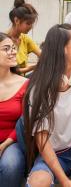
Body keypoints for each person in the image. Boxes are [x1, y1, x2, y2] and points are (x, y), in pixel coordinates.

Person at [23, 24, 71, 187]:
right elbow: (42, 140)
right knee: (38, 182)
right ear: (63, 48)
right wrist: (65, 181)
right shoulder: (38, 88)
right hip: (53, 152)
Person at [0, 32, 27, 187]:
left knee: (10, 166)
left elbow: (26, 121)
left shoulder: (25, 84)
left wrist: (3, 146)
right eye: (6, 48)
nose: (13, 52)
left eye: (13, 48)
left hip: (13, 142)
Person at [7, 0, 41, 75]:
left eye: (32, 24)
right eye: (28, 23)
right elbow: (9, 72)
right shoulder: (4, 41)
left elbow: (42, 55)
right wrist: (30, 68)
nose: (31, 27)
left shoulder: (25, 39)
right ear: (16, 20)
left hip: (21, 81)